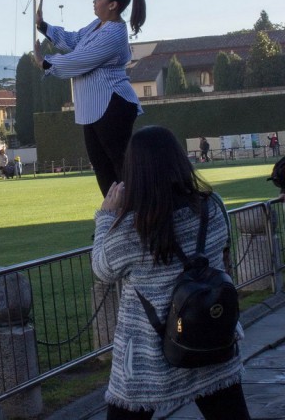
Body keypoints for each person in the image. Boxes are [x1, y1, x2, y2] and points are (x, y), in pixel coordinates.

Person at [92, 126, 249, 420]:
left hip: (148, 356)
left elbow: (102, 269)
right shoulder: (211, 208)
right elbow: (222, 246)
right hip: (212, 335)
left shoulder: (131, 230)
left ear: (134, 171)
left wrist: (105, 217)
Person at [34, 0, 146, 196]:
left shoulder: (114, 33)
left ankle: (136, 218)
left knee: (120, 167)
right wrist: (44, 26)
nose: (94, 2)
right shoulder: (97, 25)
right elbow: (74, 40)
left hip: (112, 103)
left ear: (112, 5)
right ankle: (114, 218)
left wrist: (45, 63)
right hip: (95, 107)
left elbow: (80, 59)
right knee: (102, 168)